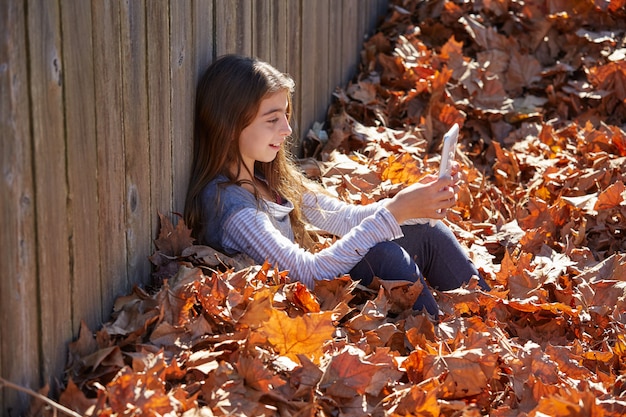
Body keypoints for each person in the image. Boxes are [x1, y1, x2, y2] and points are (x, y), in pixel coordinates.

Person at [184, 54, 489, 318]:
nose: (287, 129)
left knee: (427, 232)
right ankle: (432, 344)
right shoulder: (235, 210)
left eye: (286, 116)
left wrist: (416, 205)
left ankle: (487, 317)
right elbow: (309, 273)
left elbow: (344, 217)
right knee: (387, 256)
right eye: (272, 119)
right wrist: (396, 212)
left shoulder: (264, 178)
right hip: (297, 311)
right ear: (231, 124)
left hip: (315, 288)